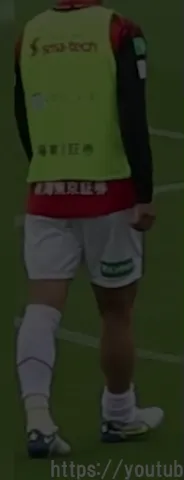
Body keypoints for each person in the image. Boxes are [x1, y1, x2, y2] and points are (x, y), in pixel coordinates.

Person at [14, 0, 162, 458]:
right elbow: (132, 112)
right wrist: (144, 191)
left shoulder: (31, 33)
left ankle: (38, 418)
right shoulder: (118, 29)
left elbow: (22, 114)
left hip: (46, 191)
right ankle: (119, 414)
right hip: (109, 195)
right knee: (116, 311)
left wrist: (45, 171)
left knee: (42, 306)